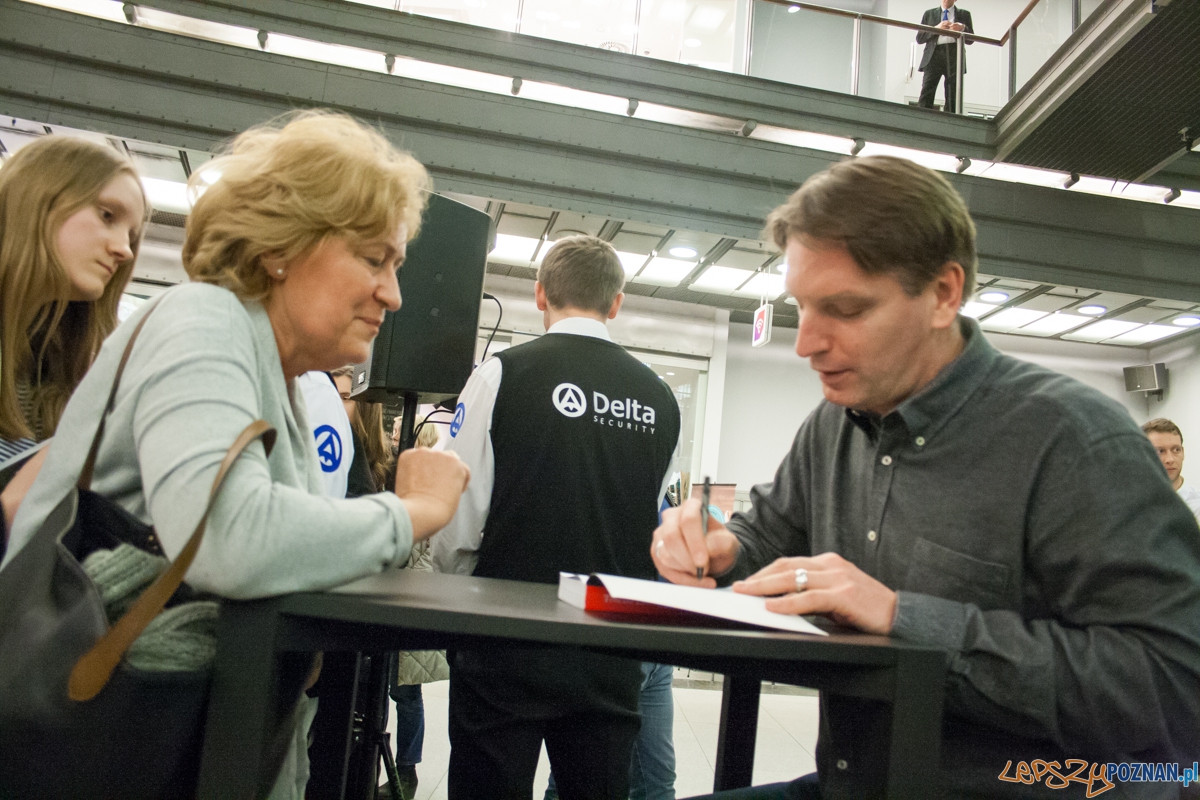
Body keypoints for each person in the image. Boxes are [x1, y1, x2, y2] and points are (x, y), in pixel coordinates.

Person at [651, 156, 1200, 799]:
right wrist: (718, 545)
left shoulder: (1075, 442)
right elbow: (765, 538)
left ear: (943, 293)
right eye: (802, 307)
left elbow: (1175, 682)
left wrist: (902, 617)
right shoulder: (833, 426)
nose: (806, 344)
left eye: (846, 309)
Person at [0, 111, 470, 799]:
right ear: (282, 247)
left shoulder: (275, 373)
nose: (393, 295)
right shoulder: (206, 318)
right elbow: (230, 536)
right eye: (374, 260)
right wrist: (412, 510)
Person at [432, 235, 681, 800]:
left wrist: (461, 598)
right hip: (609, 643)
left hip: (504, 634)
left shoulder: (501, 374)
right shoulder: (660, 398)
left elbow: (460, 511)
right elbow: (648, 512)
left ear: (540, 293)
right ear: (616, 303)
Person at [0, 135, 148, 555]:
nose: (123, 249)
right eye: (106, 215)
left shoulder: (57, 372)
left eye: (131, 235)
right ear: (37, 201)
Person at [916, 0, 973, 112]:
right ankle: (922, 117)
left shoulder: (964, 14)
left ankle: (950, 119)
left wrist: (962, 28)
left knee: (953, 93)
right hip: (933, 54)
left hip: (954, 55)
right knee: (927, 89)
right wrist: (936, 29)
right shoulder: (929, 14)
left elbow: (971, 40)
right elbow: (920, 38)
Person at [1142, 417, 1200, 519]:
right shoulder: (1130, 504)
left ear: (1183, 452)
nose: (1170, 459)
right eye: (1160, 451)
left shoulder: (1197, 505)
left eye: (1176, 450)